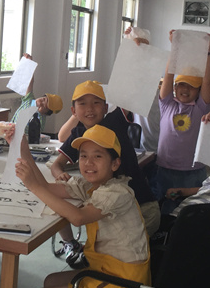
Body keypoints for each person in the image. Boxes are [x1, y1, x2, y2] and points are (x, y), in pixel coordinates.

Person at [11, 125, 150, 288]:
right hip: (111, 275)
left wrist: (32, 185)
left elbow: (76, 217)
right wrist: (23, 149)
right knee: (51, 281)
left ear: (115, 163)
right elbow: (46, 187)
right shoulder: (92, 186)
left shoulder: (117, 193)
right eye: (83, 156)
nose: (88, 162)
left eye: (98, 156)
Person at [50, 81, 159, 267]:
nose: (90, 109)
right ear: (73, 110)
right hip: (111, 211)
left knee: (116, 262)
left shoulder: (114, 121)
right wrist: (59, 173)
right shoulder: (79, 133)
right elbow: (56, 164)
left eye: (96, 102)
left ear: (106, 107)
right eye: (82, 103)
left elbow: (135, 90)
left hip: (142, 209)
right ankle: (73, 245)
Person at [154, 30, 210, 214]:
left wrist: (209, 51)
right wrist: (174, 48)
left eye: (192, 86)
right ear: (175, 86)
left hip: (192, 171)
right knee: (164, 210)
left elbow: (207, 81)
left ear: (198, 90)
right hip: (165, 168)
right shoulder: (167, 104)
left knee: (190, 213)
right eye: (182, 84)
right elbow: (169, 75)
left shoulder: (201, 108)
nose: (186, 89)